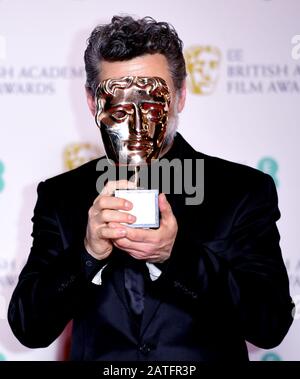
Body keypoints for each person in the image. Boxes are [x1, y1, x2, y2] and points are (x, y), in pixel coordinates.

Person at [8, 15, 294, 361]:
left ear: (180, 97)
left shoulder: (242, 191)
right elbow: (28, 328)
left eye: (153, 102)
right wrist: (87, 254)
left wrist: (178, 255)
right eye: (121, 105)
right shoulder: (62, 196)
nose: (138, 123)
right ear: (92, 103)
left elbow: (271, 324)